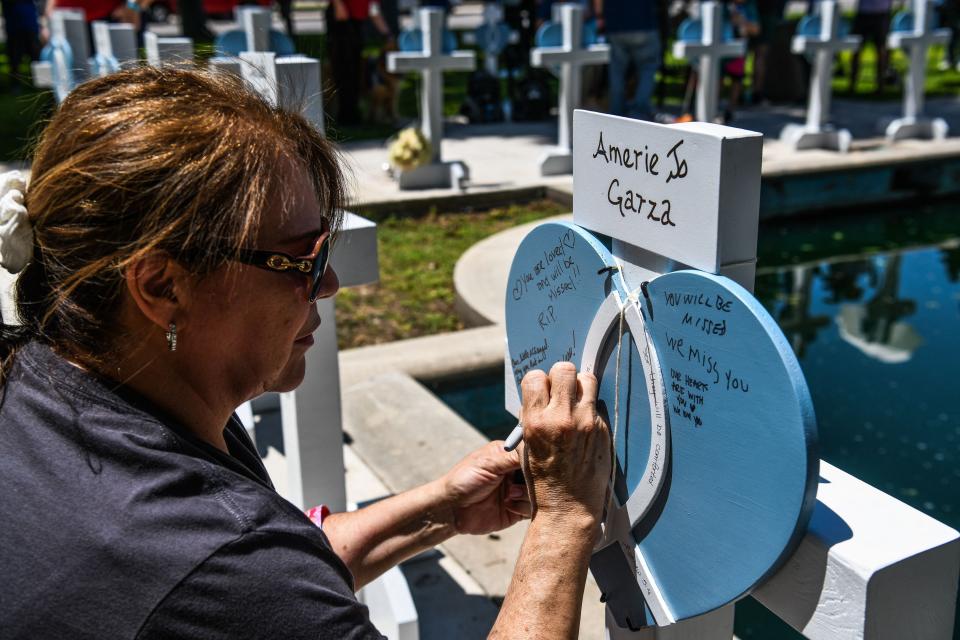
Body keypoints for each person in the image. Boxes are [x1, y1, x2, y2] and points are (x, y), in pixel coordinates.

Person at [0, 66, 612, 638]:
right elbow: (243, 578)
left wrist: (441, 511)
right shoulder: (211, 553)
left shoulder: (55, 376)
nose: (328, 285)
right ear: (162, 286)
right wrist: (563, 518)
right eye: (302, 259)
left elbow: (272, 580)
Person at [326, 0, 393, 126]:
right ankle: (345, 116)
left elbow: (373, 9)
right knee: (343, 70)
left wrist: (387, 34)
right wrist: (338, 4)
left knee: (355, 71)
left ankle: (353, 114)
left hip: (357, 21)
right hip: (340, 18)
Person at [595, 0, 660, 120]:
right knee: (648, 68)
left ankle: (616, 113)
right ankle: (639, 112)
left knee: (617, 71)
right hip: (644, 25)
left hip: (615, 26)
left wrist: (599, 16)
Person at [848, 0, 894, 94]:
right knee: (856, 48)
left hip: (882, 14)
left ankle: (881, 85)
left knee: (881, 50)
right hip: (864, 13)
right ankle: (852, 84)